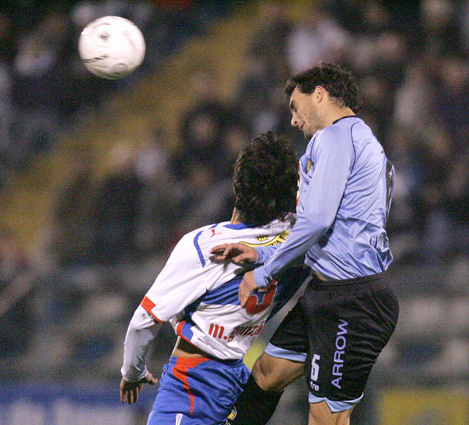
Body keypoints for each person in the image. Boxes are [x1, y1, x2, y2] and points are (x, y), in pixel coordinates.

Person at [212, 63, 399, 425]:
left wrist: (263, 273)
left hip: (353, 302)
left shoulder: (335, 138)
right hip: (327, 294)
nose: (294, 120)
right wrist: (262, 252)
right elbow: (323, 231)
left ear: (320, 95)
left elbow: (317, 221)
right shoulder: (358, 140)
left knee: (326, 419)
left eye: (295, 108)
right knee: (267, 373)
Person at [119, 132, 311, 424]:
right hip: (238, 388)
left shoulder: (204, 247)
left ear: (237, 184)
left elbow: (143, 323)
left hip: (191, 390)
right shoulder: (300, 240)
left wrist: (132, 373)